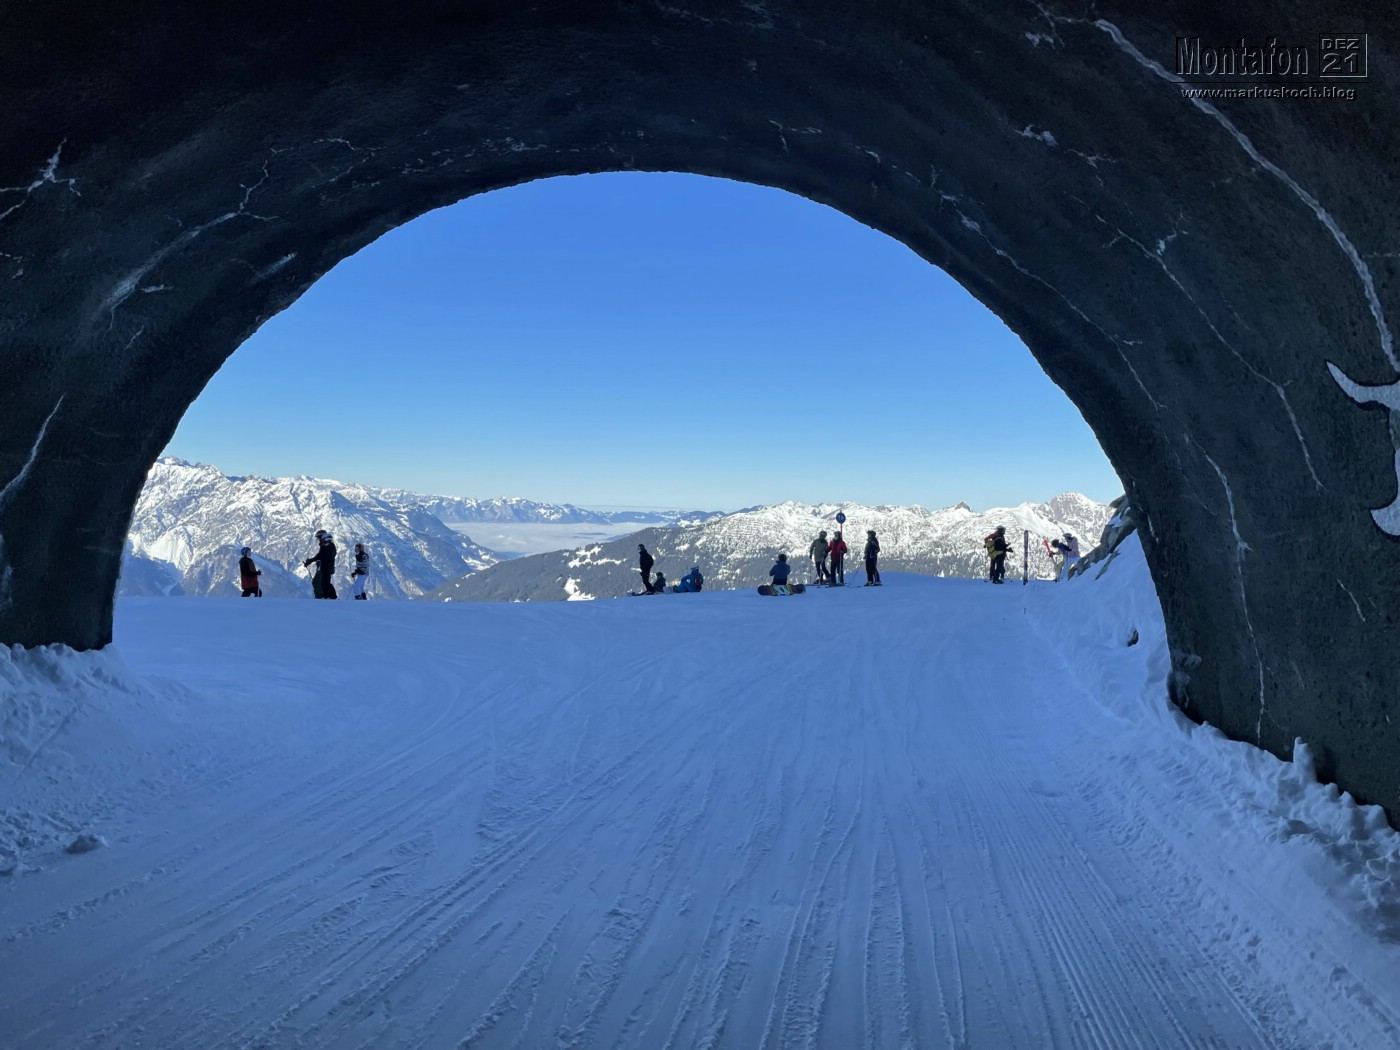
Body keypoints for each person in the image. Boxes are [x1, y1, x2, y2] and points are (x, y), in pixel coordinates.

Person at [304, 531, 338, 599]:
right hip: (325, 567)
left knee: (324, 582)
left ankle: (328, 597)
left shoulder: (327, 545)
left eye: (319, 537)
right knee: (324, 582)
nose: (319, 539)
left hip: (327, 567)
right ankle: (328, 597)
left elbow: (321, 555)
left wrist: (311, 560)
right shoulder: (326, 545)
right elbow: (321, 555)